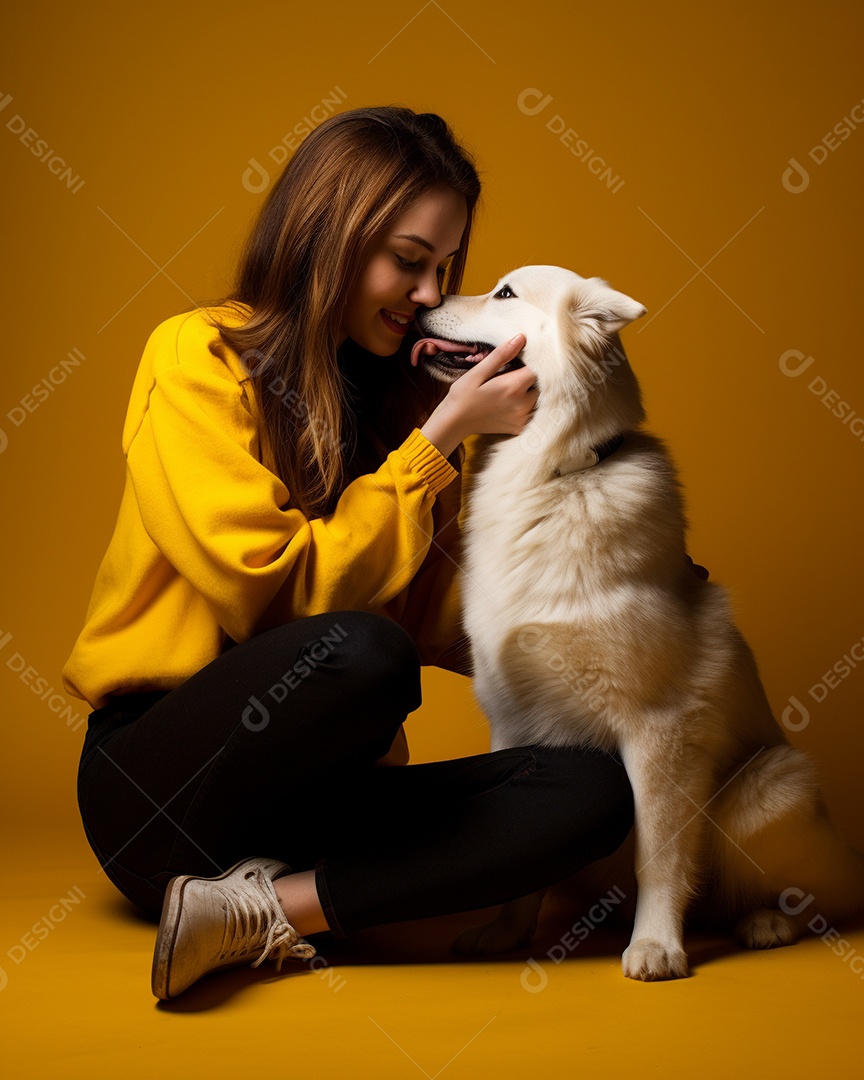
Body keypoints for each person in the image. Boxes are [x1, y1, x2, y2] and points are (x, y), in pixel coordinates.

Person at [63, 106, 635, 1001]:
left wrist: (624, 605)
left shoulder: (402, 399)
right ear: (327, 234)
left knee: (597, 790)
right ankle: (245, 895)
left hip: (315, 811)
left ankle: (261, 912)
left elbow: (445, 617)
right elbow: (276, 598)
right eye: (409, 260)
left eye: (444, 268)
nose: (426, 293)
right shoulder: (196, 358)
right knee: (362, 656)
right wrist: (436, 444)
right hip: (163, 795)